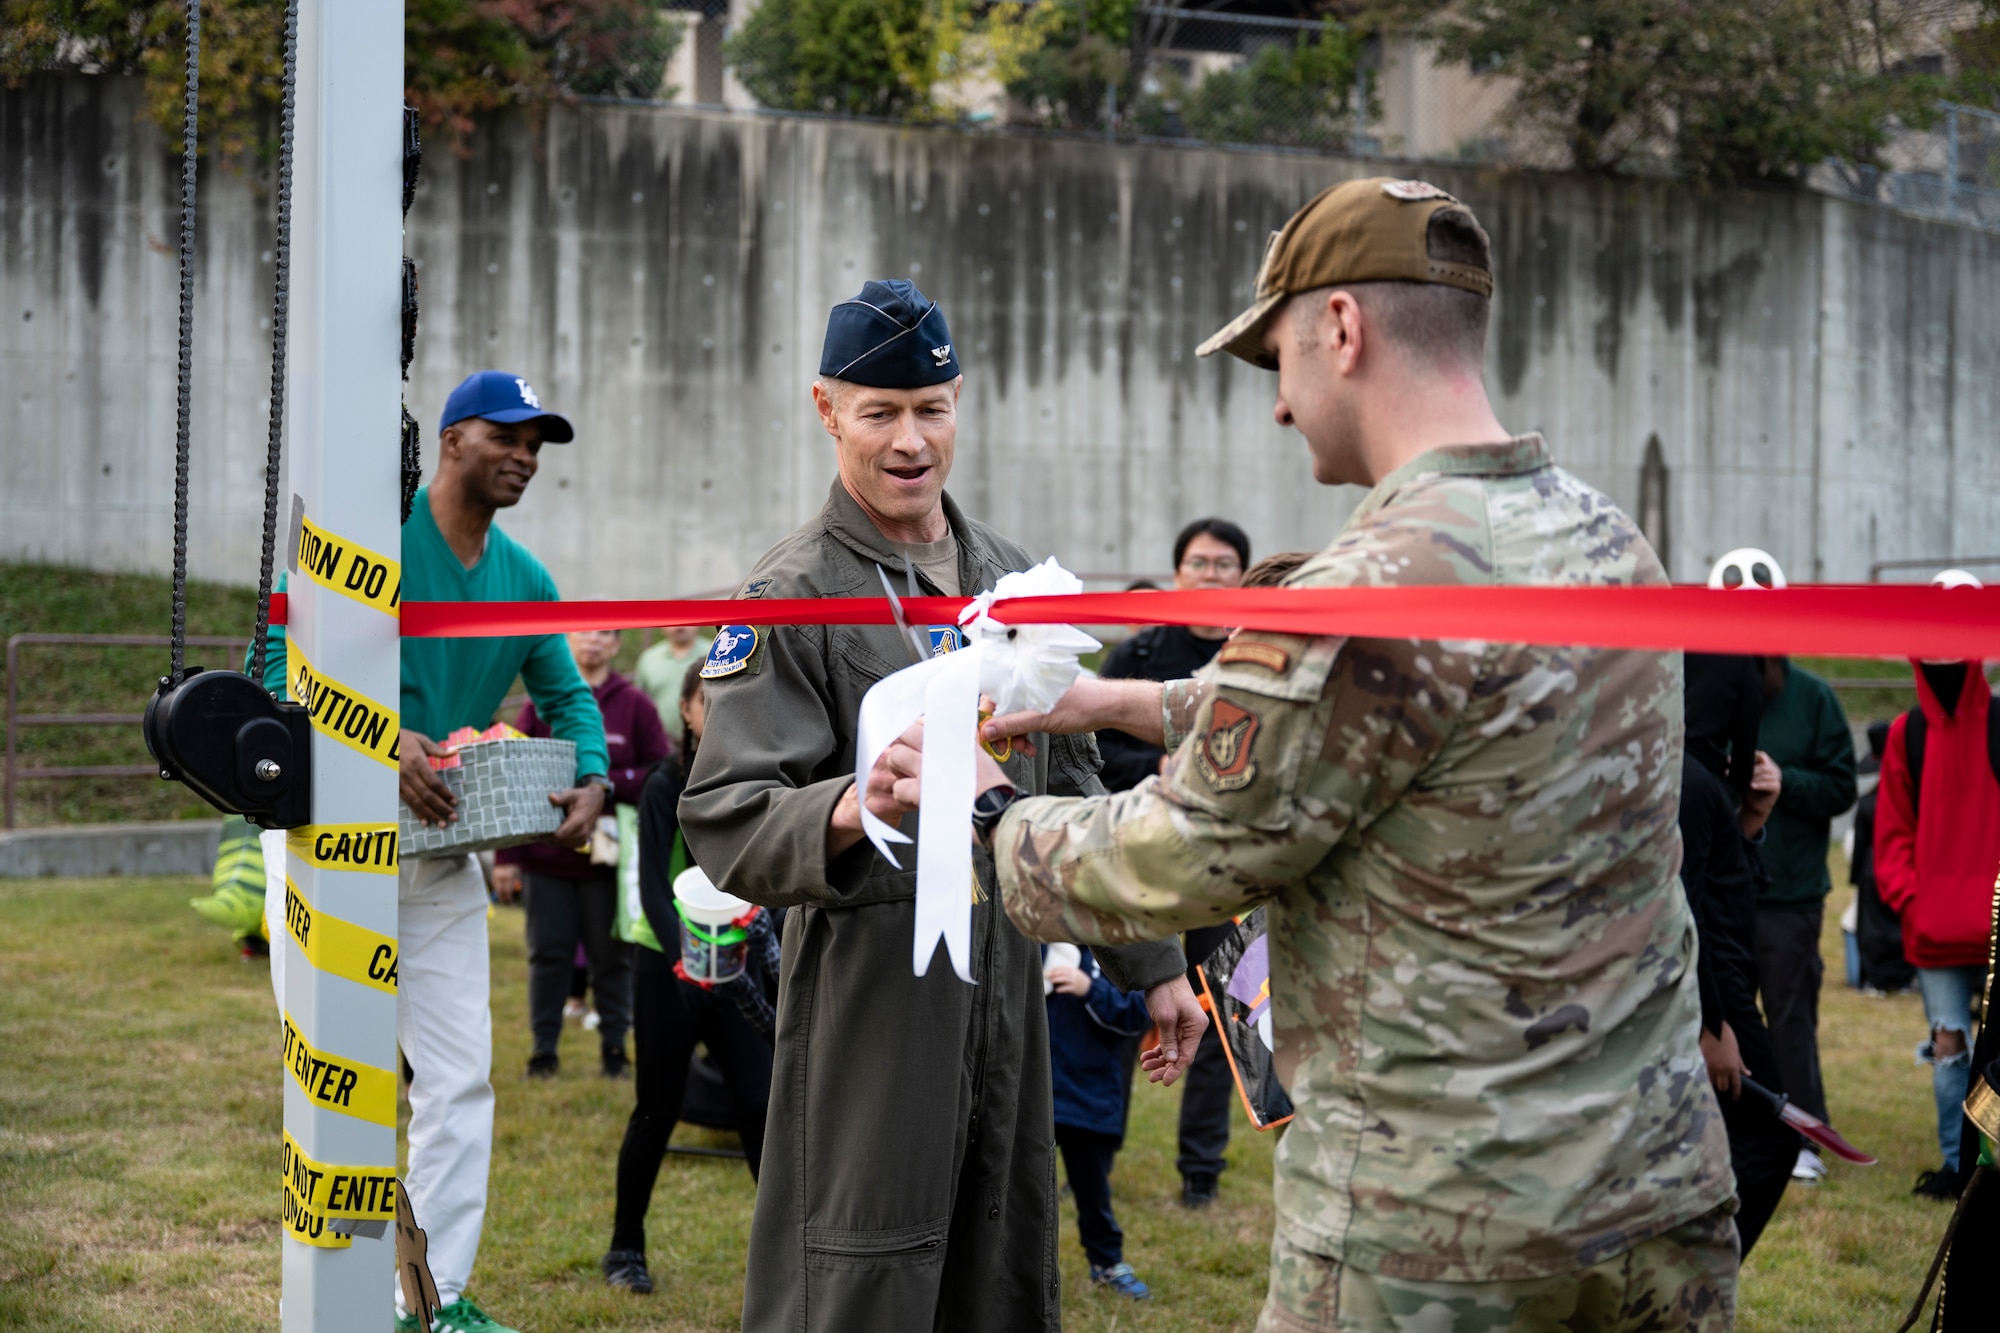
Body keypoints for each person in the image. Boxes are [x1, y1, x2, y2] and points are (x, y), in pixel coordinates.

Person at [872, 178, 1737, 1330]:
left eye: (1277, 356)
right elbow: (1412, 734)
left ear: (1340, 328)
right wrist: (1111, 700)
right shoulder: (1604, 541)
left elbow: (1175, 857)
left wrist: (983, 812)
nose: (1279, 405)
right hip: (1652, 1198)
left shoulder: (1366, 586)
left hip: (1444, 1230)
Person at [678, 278, 1205, 1333]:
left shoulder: (1009, 581)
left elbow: (1073, 779)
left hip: (1009, 993)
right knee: (858, 1279)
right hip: (873, 1005)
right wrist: (844, 803)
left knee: (997, 1275)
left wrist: (1155, 965)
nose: (909, 439)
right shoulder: (790, 594)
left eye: (930, 408)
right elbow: (728, 812)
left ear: (958, 402)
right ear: (827, 411)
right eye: (878, 412)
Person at [258, 370, 610, 1333]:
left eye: (539, 445)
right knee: (336, 1082)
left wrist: (593, 776)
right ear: (451, 438)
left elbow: (571, 698)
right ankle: (333, 1293)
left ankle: (435, 1297)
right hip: (330, 851)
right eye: (509, 435)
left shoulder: (525, 579)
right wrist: (381, 733)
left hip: (444, 859)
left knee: (460, 1081)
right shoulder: (367, 547)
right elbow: (271, 666)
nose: (527, 457)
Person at [603, 668, 777, 1294]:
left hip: (741, 962)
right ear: (684, 711)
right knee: (657, 1107)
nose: (718, 710)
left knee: (761, 1107)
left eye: (730, 700)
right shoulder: (664, 784)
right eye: (706, 701)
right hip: (668, 965)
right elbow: (652, 882)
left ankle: (784, 1257)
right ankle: (626, 1248)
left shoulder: (758, 780)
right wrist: (685, 956)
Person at [1098, 517, 1252, 1209]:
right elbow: (1091, 756)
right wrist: (1157, 762)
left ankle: (1201, 1173)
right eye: (1200, 562)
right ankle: (1095, 1149)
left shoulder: (1255, 658)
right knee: (1124, 1001)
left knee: (1220, 1011)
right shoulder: (1136, 653)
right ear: (1177, 572)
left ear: (1242, 578)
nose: (1212, 574)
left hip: (1224, 866)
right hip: (1143, 854)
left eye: (1225, 565)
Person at [494, 627, 673, 1079]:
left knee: (611, 956)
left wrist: (608, 784)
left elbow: (662, 772)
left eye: (606, 633)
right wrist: (506, 858)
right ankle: (543, 1051)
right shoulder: (539, 705)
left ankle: (615, 1049)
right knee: (547, 954)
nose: (594, 640)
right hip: (546, 860)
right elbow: (508, 773)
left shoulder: (635, 705)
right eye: (584, 630)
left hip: (607, 863)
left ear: (616, 645)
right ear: (568, 640)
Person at [1874, 571, 2000, 1201]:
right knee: (1949, 1045)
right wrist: (1912, 898)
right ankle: (1959, 1169)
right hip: (1935, 928)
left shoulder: (1999, 722)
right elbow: (1891, 833)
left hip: (1996, 920)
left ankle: (1988, 1165)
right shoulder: (1907, 734)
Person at [1679, 655, 1795, 1257]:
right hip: (1714, 998)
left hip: (1721, 991)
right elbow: (1687, 910)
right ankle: (1693, 1282)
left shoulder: (1698, 780)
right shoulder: (1688, 783)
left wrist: (1750, 818)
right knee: (1771, 1139)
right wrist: (1714, 1025)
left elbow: (1728, 887)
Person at [1747, 602, 1858, 1184]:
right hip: (1724, 887)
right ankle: (1734, 1128)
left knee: (1790, 1016)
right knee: (1725, 1018)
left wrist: (1786, 780)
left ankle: (1803, 1138)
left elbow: (1843, 785)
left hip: (1790, 892)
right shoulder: (1703, 688)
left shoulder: (1814, 698)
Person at [1044, 942, 1154, 1300]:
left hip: (1088, 1097)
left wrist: (1089, 988)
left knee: (1093, 1193)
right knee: (1017, 1192)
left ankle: (1107, 1263)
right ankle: (1009, 1266)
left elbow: (1138, 1011)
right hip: (1035, 1094)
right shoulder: (1031, 945)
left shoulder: (1111, 953)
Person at [1851, 720, 1917, 996]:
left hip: (1875, 867)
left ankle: (1877, 977)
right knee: (1894, 923)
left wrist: (1856, 876)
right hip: (1896, 864)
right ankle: (1898, 977)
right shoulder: (1907, 800)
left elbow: (1860, 844)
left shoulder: (1868, 803)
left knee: (1875, 927)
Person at [635, 624, 713, 723]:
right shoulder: (648, 659)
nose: (680, 625)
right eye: (673, 615)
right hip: (659, 736)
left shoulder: (714, 653)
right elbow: (640, 705)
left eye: (686, 614)